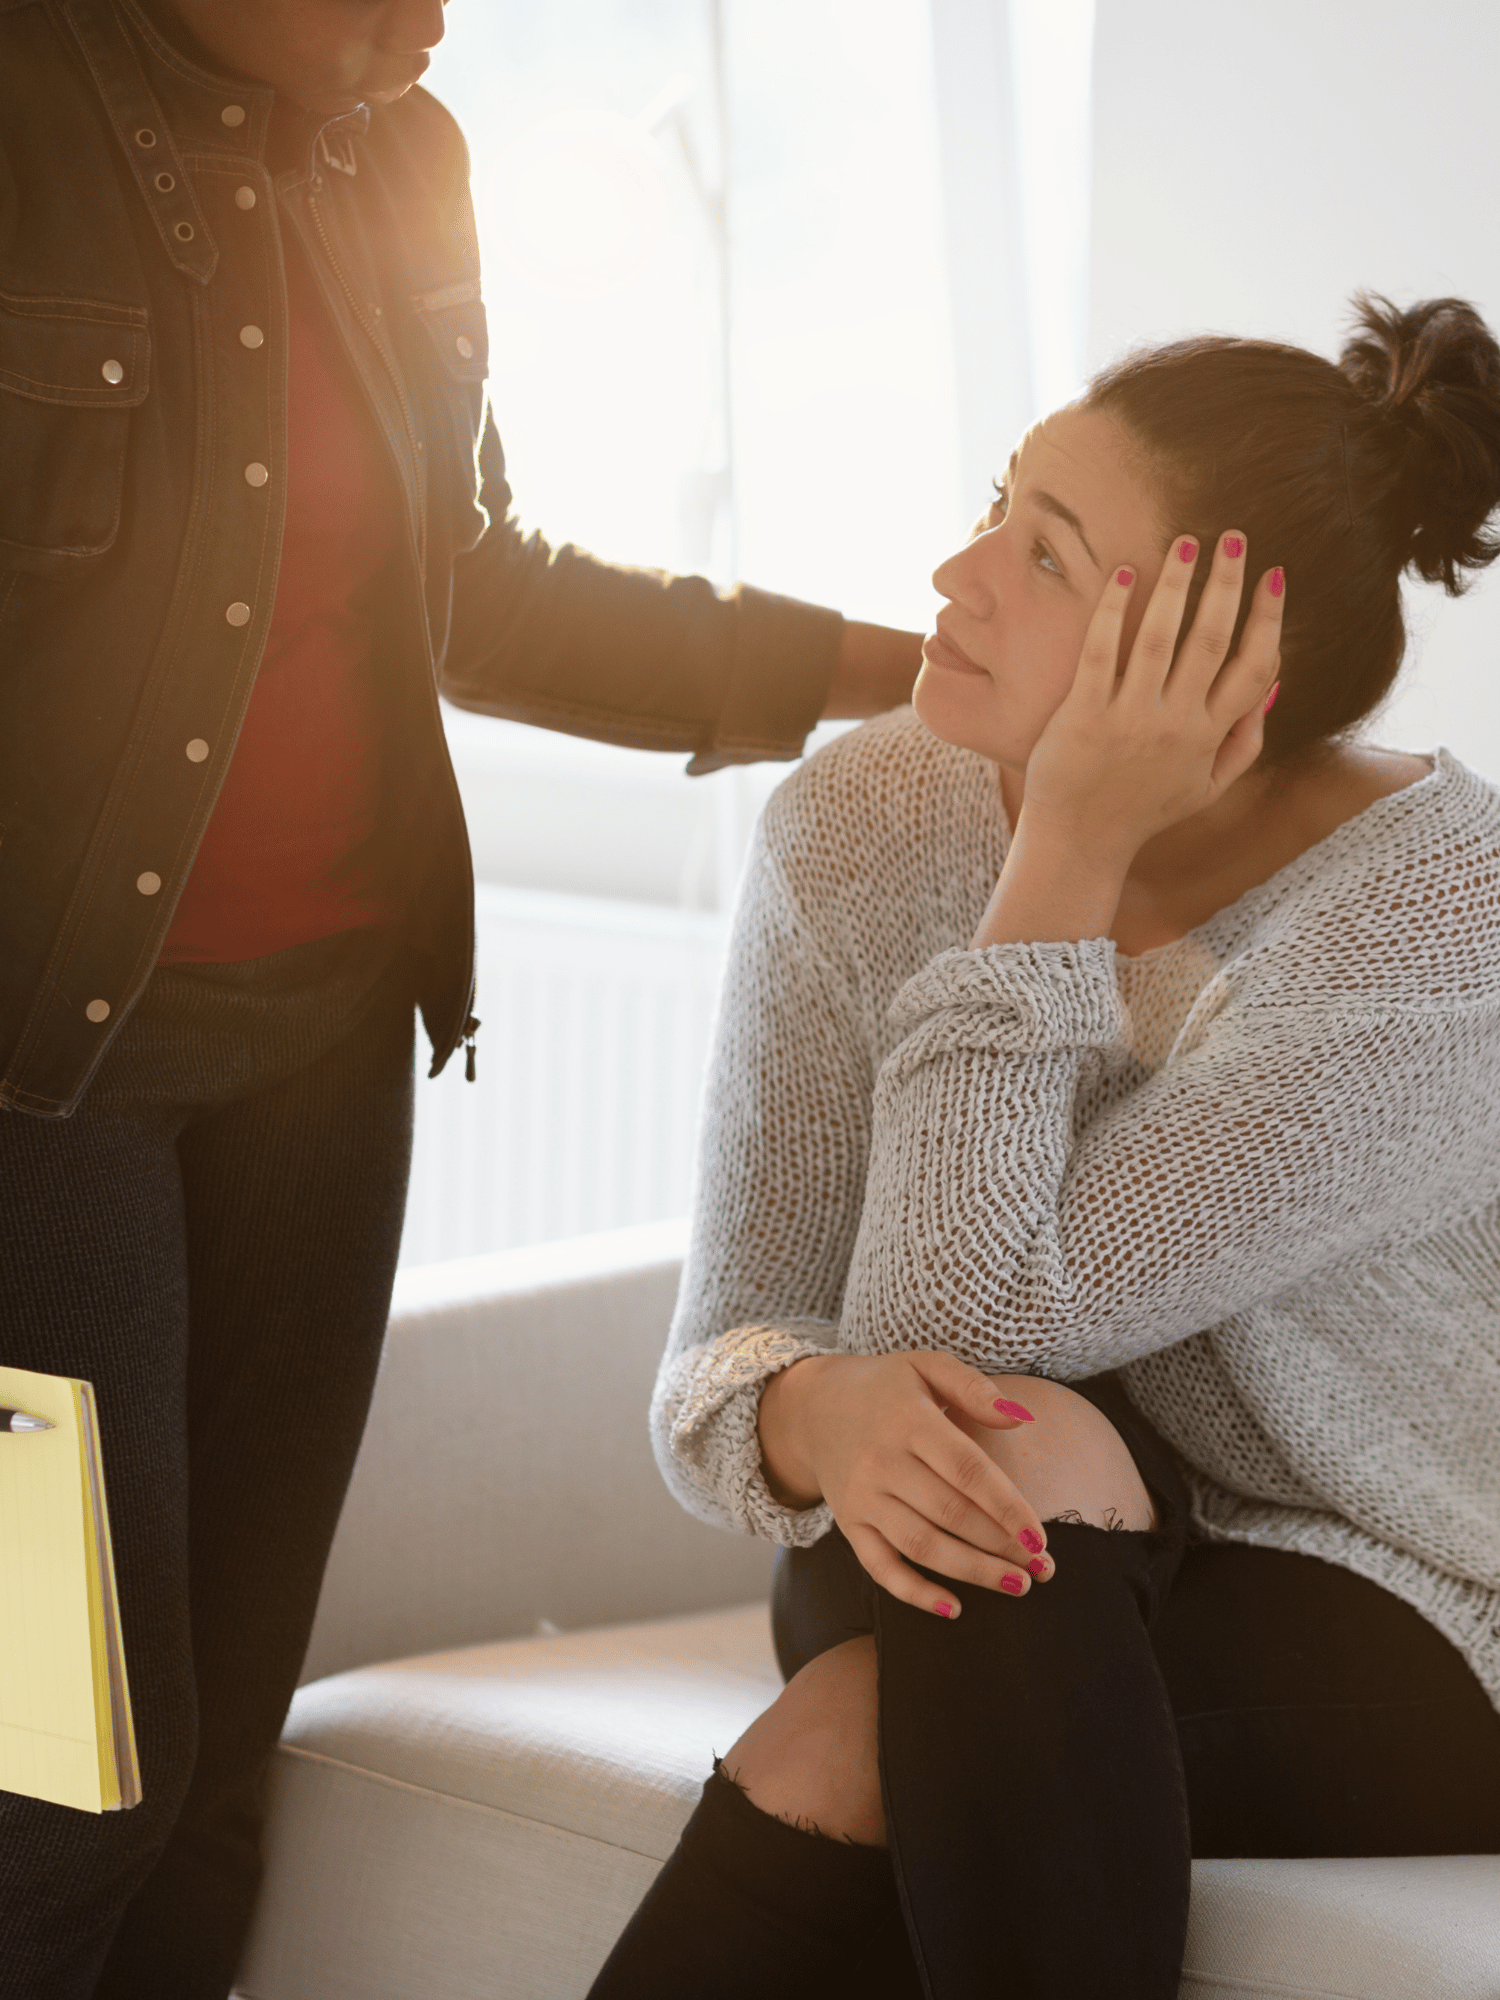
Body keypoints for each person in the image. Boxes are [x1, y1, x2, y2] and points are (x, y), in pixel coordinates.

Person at [0, 2, 922, 1994]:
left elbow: (467, 583)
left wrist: (910, 670)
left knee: (223, 1756)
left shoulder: (405, 147)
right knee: (45, 1777)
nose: (435, 22)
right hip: (36, 1089)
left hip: (324, 1061)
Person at [589, 294, 1500, 2000]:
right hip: (948, 1511)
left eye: (1050, 557)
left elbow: (982, 1317)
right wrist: (813, 1408)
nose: (955, 576)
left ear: (1232, 666)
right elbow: (730, 1342)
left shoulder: (1440, 922)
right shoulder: (862, 821)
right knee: (993, 1465)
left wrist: (1065, 850)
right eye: (1002, 503)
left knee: (875, 1702)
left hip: (1396, 1598)